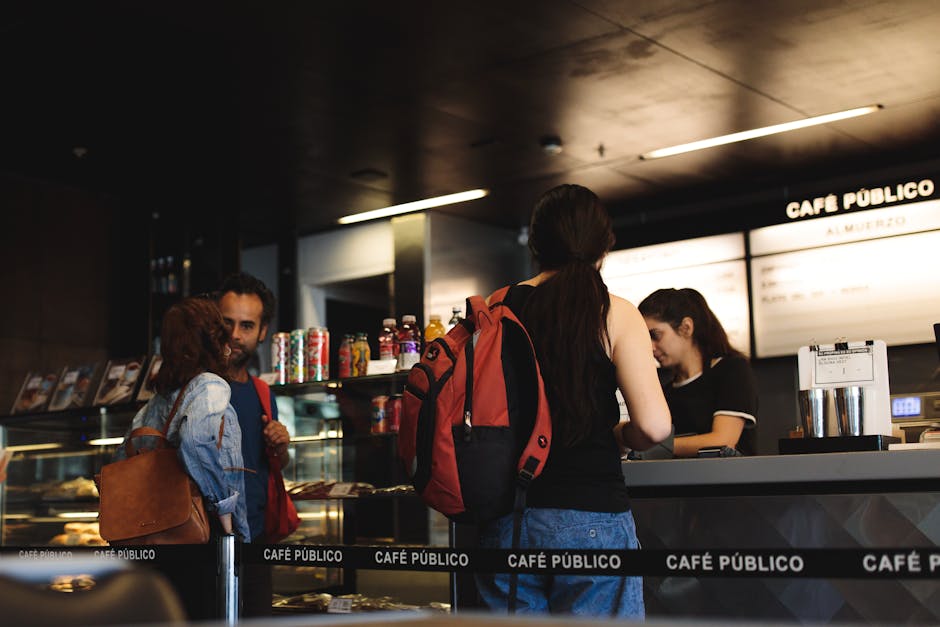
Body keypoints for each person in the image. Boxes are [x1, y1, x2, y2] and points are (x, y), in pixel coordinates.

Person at [475, 183, 672, 617]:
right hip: (591, 514)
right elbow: (655, 426)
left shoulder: (498, 305)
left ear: (536, 244)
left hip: (507, 518)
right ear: (604, 245)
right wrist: (621, 434)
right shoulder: (616, 312)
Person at [113, 297, 249, 620]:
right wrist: (226, 512)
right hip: (200, 539)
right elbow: (196, 441)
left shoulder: (157, 401)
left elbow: (122, 456)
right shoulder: (209, 385)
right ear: (211, 338)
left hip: (156, 544)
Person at [215, 272, 291, 617]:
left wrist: (281, 446)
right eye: (226, 322)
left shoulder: (263, 393)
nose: (234, 334)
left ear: (262, 333)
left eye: (246, 325)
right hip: (203, 542)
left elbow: (272, 465)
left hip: (256, 541)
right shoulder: (194, 386)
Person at [638, 287, 758, 457]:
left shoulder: (732, 370)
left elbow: (723, 441)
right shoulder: (662, 386)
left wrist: (652, 448)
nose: (650, 347)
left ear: (686, 328)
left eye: (655, 335)